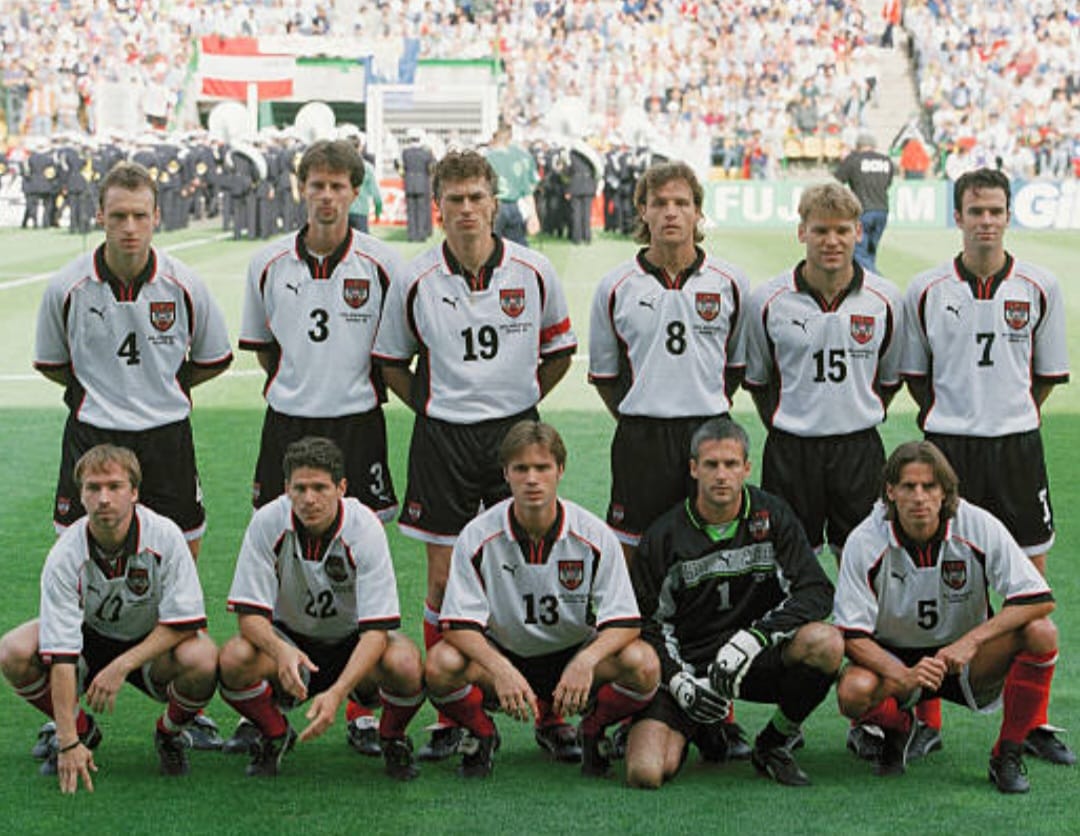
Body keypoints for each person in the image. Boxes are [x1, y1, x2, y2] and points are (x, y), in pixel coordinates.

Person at [373, 150, 577, 762]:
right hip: (443, 441)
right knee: (444, 576)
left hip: (517, 436)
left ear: (495, 202)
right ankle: (453, 711)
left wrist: (518, 406)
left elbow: (559, 352)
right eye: (454, 199)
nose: (466, 209)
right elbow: (390, 363)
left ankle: (549, 711)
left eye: (476, 197)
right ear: (439, 208)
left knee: (530, 568)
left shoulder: (534, 271)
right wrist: (438, 409)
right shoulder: (415, 278)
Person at [33, 160, 231, 752]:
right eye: (117, 216)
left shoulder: (186, 285)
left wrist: (159, 393)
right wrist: (105, 395)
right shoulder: (67, 286)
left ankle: (181, 711)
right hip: (93, 435)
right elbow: (51, 363)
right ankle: (66, 711)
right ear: (100, 216)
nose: (128, 228)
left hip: (167, 437)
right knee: (74, 565)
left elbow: (213, 357)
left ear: (156, 217)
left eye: (139, 216)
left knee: (181, 567)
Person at [899, 167, 1074, 766]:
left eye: (996, 211)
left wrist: (1006, 416)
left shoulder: (1040, 285)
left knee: (1030, 583)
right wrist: (956, 418)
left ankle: (1034, 722)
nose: (986, 222)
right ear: (959, 217)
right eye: (975, 212)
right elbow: (917, 377)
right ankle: (928, 716)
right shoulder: (924, 289)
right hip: (948, 447)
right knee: (934, 577)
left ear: (1008, 215)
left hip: (1017, 447)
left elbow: (1045, 377)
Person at [235, 138, 404, 758]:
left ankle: (361, 701)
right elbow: (264, 348)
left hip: (358, 424)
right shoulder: (267, 263)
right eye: (316, 184)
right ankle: (280, 674)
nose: (326, 195)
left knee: (365, 548)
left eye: (338, 185)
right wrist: (301, 385)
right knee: (278, 545)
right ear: (299, 188)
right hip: (288, 419)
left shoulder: (384, 263)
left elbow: (394, 354)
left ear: (356, 192)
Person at [424, 421, 660, 778]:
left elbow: (625, 621)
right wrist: (502, 670)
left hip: (573, 656)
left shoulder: (594, 534)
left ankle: (593, 729)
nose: (532, 479)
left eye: (542, 467)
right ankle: (483, 734)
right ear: (506, 473)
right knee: (440, 665)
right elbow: (457, 625)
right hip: (505, 654)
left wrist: (587, 661)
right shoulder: (478, 534)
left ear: (560, 470)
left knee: (643, 664)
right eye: (521, 469)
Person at [834, 441, 1062, 793]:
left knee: (1042, 633)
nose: (919, 497)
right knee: (853, 691)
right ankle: (899, 726)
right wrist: (904, 674)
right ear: (890, 492)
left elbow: (1038, 599)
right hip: (897, 658)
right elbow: (851, 635)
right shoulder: (865, 540)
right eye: (909, 487)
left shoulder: (976, 524)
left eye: (930, 486)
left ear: (945, 492)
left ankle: (1007, 752)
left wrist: (970, 643)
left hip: (965, 659)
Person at [625, 418, 841, 788]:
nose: (721, 475)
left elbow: (816, 591)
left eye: (731, 464)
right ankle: (702, 725)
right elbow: (645, 623)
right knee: (645, 773)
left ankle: (773, 744)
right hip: (689, 668)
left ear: (747, 468)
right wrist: (678, 680)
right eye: (711, 464)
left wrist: (754, 638)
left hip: (750, 660)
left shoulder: (773, 516)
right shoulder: (665, 535)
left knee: (826, 643)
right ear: (693, 469)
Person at [0, 445, 218, 792]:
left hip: (151, 644)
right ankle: (82, 727)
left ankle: (169, 734)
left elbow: (184, 623)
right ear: (81, 496)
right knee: (13, 650)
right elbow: (61, 651)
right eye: (93, 488)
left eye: (114, 487)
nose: (104, 498)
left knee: (204, 658)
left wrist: (121, 666)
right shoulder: (65, 554)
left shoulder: (165, 536)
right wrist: (69, 741)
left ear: (134, 492)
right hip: (89, 639)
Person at [217, 437, 426, 780]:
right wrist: (281, 650)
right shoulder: (268, 522)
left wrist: (338, 693)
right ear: (286, 488)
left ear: (341, 487)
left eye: (320, 488)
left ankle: (392, 737)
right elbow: (250, 617)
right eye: (299, 488)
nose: (309, 499)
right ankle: (274, 733)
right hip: (291, 642)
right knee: (233, 658)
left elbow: (376, 632)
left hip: (352, 642)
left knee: (404, 661)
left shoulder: (365, 527)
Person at [589, 160, 750, 560]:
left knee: (715, 546)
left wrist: (702, 404)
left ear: (697, 212)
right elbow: (606, 376)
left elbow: (735, 367)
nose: (671, 212)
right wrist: (641, 410)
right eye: (659, 202)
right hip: (641, 437)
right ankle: (637, 624)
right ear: (642, 211)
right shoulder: (615, 286)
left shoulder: (730, 282)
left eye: (681, 202)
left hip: (710, 431)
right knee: (634, 549)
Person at [744, 182, 902, 561]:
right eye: (820, 230)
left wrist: (855, 410)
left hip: (859, 451)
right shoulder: (767, 300)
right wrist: (793, 420)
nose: (832, 241)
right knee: (789, 567)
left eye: (842, 230)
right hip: (790, 452)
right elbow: (759, 381)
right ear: (802, 232)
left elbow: (889, 379)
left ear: (858, 232)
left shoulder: (886, 299)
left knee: (867, 564)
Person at [834, 133, 895, 274]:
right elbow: (888, 183)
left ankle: (877, 281)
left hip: (861, 210)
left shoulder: (854, 159)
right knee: (871, 252)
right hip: (882, 210)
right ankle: (868, 285)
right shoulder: (886, 160)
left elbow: (837, 181)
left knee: (858, 252)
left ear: (858, 146)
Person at [398, 128, 434, 242]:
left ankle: (412, 235)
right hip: (422, 183)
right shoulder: (426, 153)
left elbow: (402, 167)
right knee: (422, 210)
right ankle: (421, 234)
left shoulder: (405, 153)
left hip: (409, 183)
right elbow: (432, 167)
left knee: (411, 210)